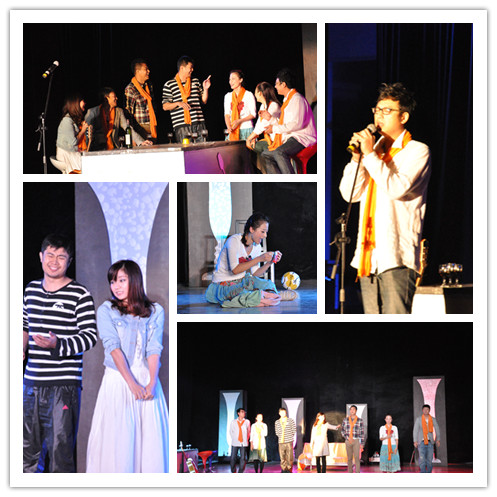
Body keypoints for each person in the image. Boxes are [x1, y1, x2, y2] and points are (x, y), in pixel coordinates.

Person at [339, 82, 431, 314]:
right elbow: (350, 194)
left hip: (396, 257)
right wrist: (357, 158)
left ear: (404, 117)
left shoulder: (417, 151)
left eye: (387, 111)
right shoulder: (373, 153)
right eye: (377, 110)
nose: (379, 116)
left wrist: (370, 155)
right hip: (368, 258)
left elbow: (396, 188)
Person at [23, 234, 97, 472]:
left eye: (61, 257)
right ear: (41, 256)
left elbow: (89, 337)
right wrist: (21, 348)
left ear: (69, 261)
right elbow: (24, 325)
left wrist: (57, 344)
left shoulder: (80, 294)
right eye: (50, 255)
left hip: (63, 387)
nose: (54, 262)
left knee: (60, 454)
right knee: (26, 454)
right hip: (31, 384)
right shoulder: (30, 290)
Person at [86, 260, 168, 473]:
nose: (116, 286)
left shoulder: (155, 311)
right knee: (120, 443)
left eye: (122, 280)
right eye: (113, 281)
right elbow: (113, 347)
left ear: (134, 280)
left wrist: (151, 383)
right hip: (118, 380)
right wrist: (132, 384)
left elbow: (154, 348)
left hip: (147, 380)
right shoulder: (106, 310)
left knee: (149, 446)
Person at [205, 212, 297, 308]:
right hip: (223, 285)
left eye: (266, 232)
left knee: (268, 284)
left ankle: (263, 298)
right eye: (262, 232)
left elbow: (255, 273)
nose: (265, 235)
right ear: (252, 229)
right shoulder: (233, 241)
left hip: (242, 282)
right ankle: (270, 297)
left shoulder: (257, 246)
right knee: (243, 294)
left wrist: (269, 262)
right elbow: (235, 270)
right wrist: (260, 258)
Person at [260, 68, 317, 174]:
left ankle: (291, 182)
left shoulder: (297, 99)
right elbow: (285, 124)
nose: (275, 86)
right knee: (266, 155)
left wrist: (274, 129)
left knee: (279, 152)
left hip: (302, 137)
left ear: (284, 84)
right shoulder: (287, 100)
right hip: (292, 137)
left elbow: (296, 124)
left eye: (277, 84)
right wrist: (271, 119)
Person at [162, 55, 211, 143]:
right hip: (182, 126)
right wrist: (178, 103)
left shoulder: (195, 81)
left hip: (199, 123)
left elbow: (203, 101)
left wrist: (206, 89)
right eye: (190, 67)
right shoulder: (169, 84)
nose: (192, 70)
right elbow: (165, 106)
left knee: (203, 149)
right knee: (186, 150)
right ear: (182, 68)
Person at [85, 87, 153, 150]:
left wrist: (141, 142)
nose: (116, 98)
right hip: (96, 149)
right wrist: (87, 149)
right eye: (114, 97)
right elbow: (87, 133)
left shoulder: (119, 111)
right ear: (106, 99)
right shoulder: (93, 112)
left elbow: (127, 128)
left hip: (114, 147)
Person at [245, 82, 281, 173]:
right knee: (252, 148)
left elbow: (263, 126)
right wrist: (254, 138)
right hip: (269, 139)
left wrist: (249, 138)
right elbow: (258, 125)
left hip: (278, 140)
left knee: (260, 151)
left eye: (255, 92)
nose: (255, 95)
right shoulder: (263, 106)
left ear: (260, 93)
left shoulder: (273, 105)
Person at [124, 58, 158, 141]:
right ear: (138, 71)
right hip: (140, 128)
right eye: (146, 69)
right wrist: (133, 137)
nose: (148, 71)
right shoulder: (130, 89)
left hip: (152, 125)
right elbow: (128, 113)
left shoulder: (149, 85)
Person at [55, 92, 89, 173]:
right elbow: (73, 142)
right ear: (76, 103)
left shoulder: (72, 120)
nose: (85, 103)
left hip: (71, 152)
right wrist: (83, 130)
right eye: (82, 101)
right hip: (66, 154)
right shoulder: (67, 121)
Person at [224, 69, 256, 141]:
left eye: (233, 79)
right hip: (233, 130)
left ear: (240, 80)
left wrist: (239, 121)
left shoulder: (248, 94)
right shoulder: (228, 96)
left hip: (246, 128)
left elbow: (253, 114)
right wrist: (229, 127)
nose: (230, 82)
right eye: (229, 79)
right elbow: (227, 114)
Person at [413, 404, 441, 473]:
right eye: (424, 409)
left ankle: (428, 472)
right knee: (422, 459)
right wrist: (415, 441)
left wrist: (438, 439)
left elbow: (437, 429)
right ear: (422, 410)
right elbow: (415, 430)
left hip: (430, 442)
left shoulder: (432, 419)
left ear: (429, 410)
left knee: (429, 459)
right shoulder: (419, 419)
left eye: (427, 409)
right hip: (421, 442)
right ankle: (423, 472)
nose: (426, 411)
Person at [341, 405, 365, 473]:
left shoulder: (360, 420)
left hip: (356, 440)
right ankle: (350, 472)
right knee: (349, 458)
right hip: (348, 440)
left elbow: (362, 433)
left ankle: (357, 472)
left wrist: (362, 443)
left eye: (353, 409)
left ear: (356, 411)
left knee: (357, 458)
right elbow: (342, 431)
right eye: (351, 409)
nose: (352, 411)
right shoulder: (345, 420)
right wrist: (348, 438)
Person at [275, 407, 297, 473]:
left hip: (289, 441)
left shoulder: (290, 420)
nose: (282, 413)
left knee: (289, 456)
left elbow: (294, 429)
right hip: (281, 442)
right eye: (281, 412)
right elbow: (277, 432)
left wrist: (289, 436)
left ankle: (289, 469)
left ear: (286, 413)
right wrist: (281, 436)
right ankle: (283, 469)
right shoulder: (277, 422)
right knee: (282, 456)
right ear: (279, 413)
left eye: (284, 412)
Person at [229, 408, 251, 473]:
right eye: (242, 412)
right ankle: (233, 470)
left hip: (243, 442)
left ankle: (240, 472)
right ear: (238, 413)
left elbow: (249, 431)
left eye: (244, 412)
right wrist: (235, 438)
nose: (244, 413)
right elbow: (231, 431)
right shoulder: (233, 422)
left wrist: (246, 439)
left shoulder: (247, 422)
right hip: (235, 442)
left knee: (242, 458)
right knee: (233, 457)